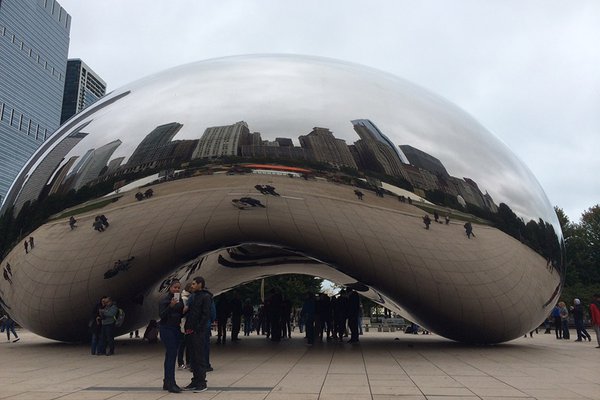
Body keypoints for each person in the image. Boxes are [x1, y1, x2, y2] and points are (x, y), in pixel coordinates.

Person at [184, 276, 211, 392]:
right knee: (193, 357)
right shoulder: (193, 296)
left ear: (200, 284)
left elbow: (206, 315)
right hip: (190, 330)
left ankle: (202, 382)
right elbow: (192, 312)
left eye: (194, 284)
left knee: (199, 357)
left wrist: (198, 328)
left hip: (198, 332)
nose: (192, 286)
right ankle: (195, 380)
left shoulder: (206, 297)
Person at [158, 280, 186, 393]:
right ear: (170, 288)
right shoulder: (165, 300)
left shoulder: (179, 300)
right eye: (175, 287)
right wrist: (170, 306)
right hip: (166, 328)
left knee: (171, 354)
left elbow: (179, 314)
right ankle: (171, 383)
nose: (176, 290)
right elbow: (162, 315)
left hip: (175, 328)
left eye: (178, 288)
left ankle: (167, 381)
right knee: (172, 354)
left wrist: (184, 311)